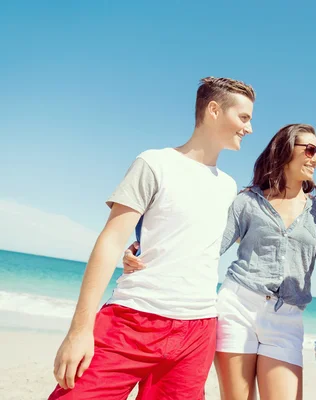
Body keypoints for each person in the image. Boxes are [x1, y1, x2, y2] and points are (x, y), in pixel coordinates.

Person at [48, 77, 256, 400]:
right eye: (243, 117)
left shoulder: (229, 187)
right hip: (133, 318)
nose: (249, 128)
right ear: (214, 110)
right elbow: (110, 242)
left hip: (198, 330)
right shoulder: (155, 163)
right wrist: (79, 331)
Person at [124, 123, 316, 400]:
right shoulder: (247, 201)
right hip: (237, 307)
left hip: (286, 318)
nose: (315, 158)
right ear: (285, 149)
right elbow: (208, 247)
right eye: (309, 149)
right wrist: (145, 251)